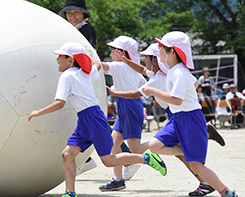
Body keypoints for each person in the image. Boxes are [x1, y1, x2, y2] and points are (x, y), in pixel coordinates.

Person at [28, 42, 169, 197]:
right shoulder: (85, 72)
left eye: (60, 57)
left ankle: (146, 158)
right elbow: (96, 64)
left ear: (70, 60)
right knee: (67, 155)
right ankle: (70, 193)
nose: (57, 60)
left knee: (108, 160)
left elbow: (60, 103)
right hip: (85, 119)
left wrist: (39, 112)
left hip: (93, 119)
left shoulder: (67, 76)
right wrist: (87, 53)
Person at [108, 42, 226, 196]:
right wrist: (126, 61)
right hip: (177, 112)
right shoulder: (164, 73)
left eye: (147, 58)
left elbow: (137, 94)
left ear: (155, 60)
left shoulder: (162, 77)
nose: (144, 61)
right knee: (180, 154)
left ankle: (205, 181)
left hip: (175, 113)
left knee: (178, 153)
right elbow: (145, 71)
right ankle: (204, 181)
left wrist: (117, 94)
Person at [139, 31, 238, 197]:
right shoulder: (174, 70)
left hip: (190, 118)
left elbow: (177, 100)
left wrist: (153, 90)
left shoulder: (179, 72)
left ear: (171, 51)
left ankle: (227, 192)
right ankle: (192, 148)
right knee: (154, 146)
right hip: (178, 118)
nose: (158, 51)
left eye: (161, 47)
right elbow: (195, 83)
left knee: (197, 166)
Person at [99, 36, 167, 192]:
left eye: (112, 50)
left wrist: (85, 54)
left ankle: (150, 157)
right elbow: (145, 86)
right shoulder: (132, 68)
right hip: (127, 106)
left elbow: (100, 66)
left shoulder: (119, 66)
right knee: (114, 144)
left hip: (129, 105)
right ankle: (117, 180)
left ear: (120, 52)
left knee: (134, 148)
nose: (110, 53)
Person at [59, 0, 98, 175]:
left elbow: (87, 56)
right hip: (78, 78)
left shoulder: (86, 30)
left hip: (83, 79)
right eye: (69, 13)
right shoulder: (70, 30)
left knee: (93, 120)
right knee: (88, 120)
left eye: (76, 12)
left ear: (84, 14)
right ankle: (86, 159)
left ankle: (126, 156)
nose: (72, 16)